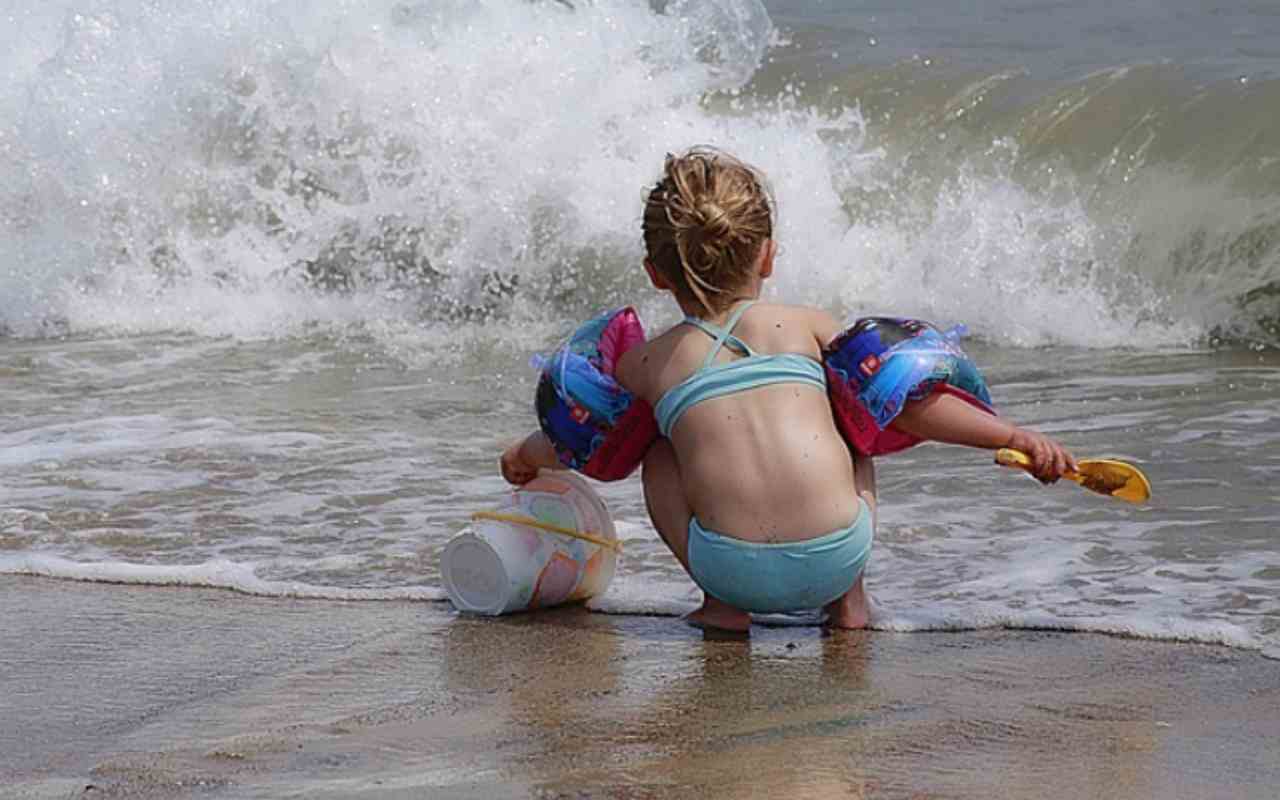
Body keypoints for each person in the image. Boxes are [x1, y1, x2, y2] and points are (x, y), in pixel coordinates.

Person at [501, 147, 1075, 632]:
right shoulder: (809, 326)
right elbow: (913, 408)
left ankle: (721, 609)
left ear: (655, 272)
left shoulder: (651, 362)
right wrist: (1013, 436)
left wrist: (524, 456)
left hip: (730, 569)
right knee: (856, 417)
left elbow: (580, 436)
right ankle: (850, 602)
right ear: (768, 254)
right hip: (836, 553)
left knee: (656, 446)